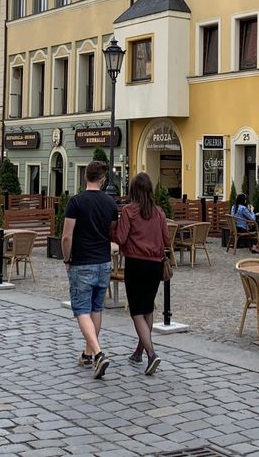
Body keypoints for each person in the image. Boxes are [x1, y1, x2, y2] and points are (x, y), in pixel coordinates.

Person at [61, 160, 117, 380]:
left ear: (86, 177)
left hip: (82, 261)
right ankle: (87, 354)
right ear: (102, 180)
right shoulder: (110, 203)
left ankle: (98, 353)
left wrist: (67, 258)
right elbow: (112, 232)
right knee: (96, 308)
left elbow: (67, 236)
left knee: (81, 309)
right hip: (103, 261)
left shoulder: (75, 202)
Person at [113, 172, 172, 376]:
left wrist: (110, 229)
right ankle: (139, 352)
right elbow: (167, 240)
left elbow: (120, 237)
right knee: (147, 308)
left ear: (133, 190)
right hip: (155, 265)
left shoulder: (129, 211)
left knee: (137, 311)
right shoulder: (159, 212)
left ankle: (151, 354)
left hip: (136, 264)